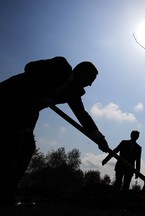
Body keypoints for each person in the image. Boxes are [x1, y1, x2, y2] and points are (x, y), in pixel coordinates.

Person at [0, 56, 109, 206]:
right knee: (11, 145)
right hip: (9, 99)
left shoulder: (74, 92)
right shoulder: (60, 65)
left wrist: (99, 138)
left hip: (27, 114)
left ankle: (6, 194)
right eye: (90, 79)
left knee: (27, 148)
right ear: (80, 71)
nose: (90, 84)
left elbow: (82, 114)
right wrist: (42, 94)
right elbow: (29, 67)